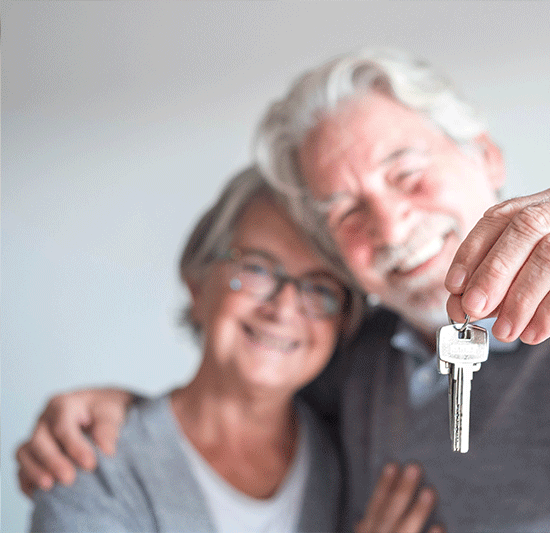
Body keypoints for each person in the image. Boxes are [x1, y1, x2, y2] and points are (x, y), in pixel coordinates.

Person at [19, 49, 550, 532]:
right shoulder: (353, 368)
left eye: (407, 173)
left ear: (484, 155)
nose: (391, 225)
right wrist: (125, 406)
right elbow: (232, 402)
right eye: (346, 212)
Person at [25, 166, 440, 533]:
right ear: (197, 281)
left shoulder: (348, 452)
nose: (282, 308)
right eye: (256, 268)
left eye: (320, 288)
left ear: (341, 323)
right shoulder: (93, 463)